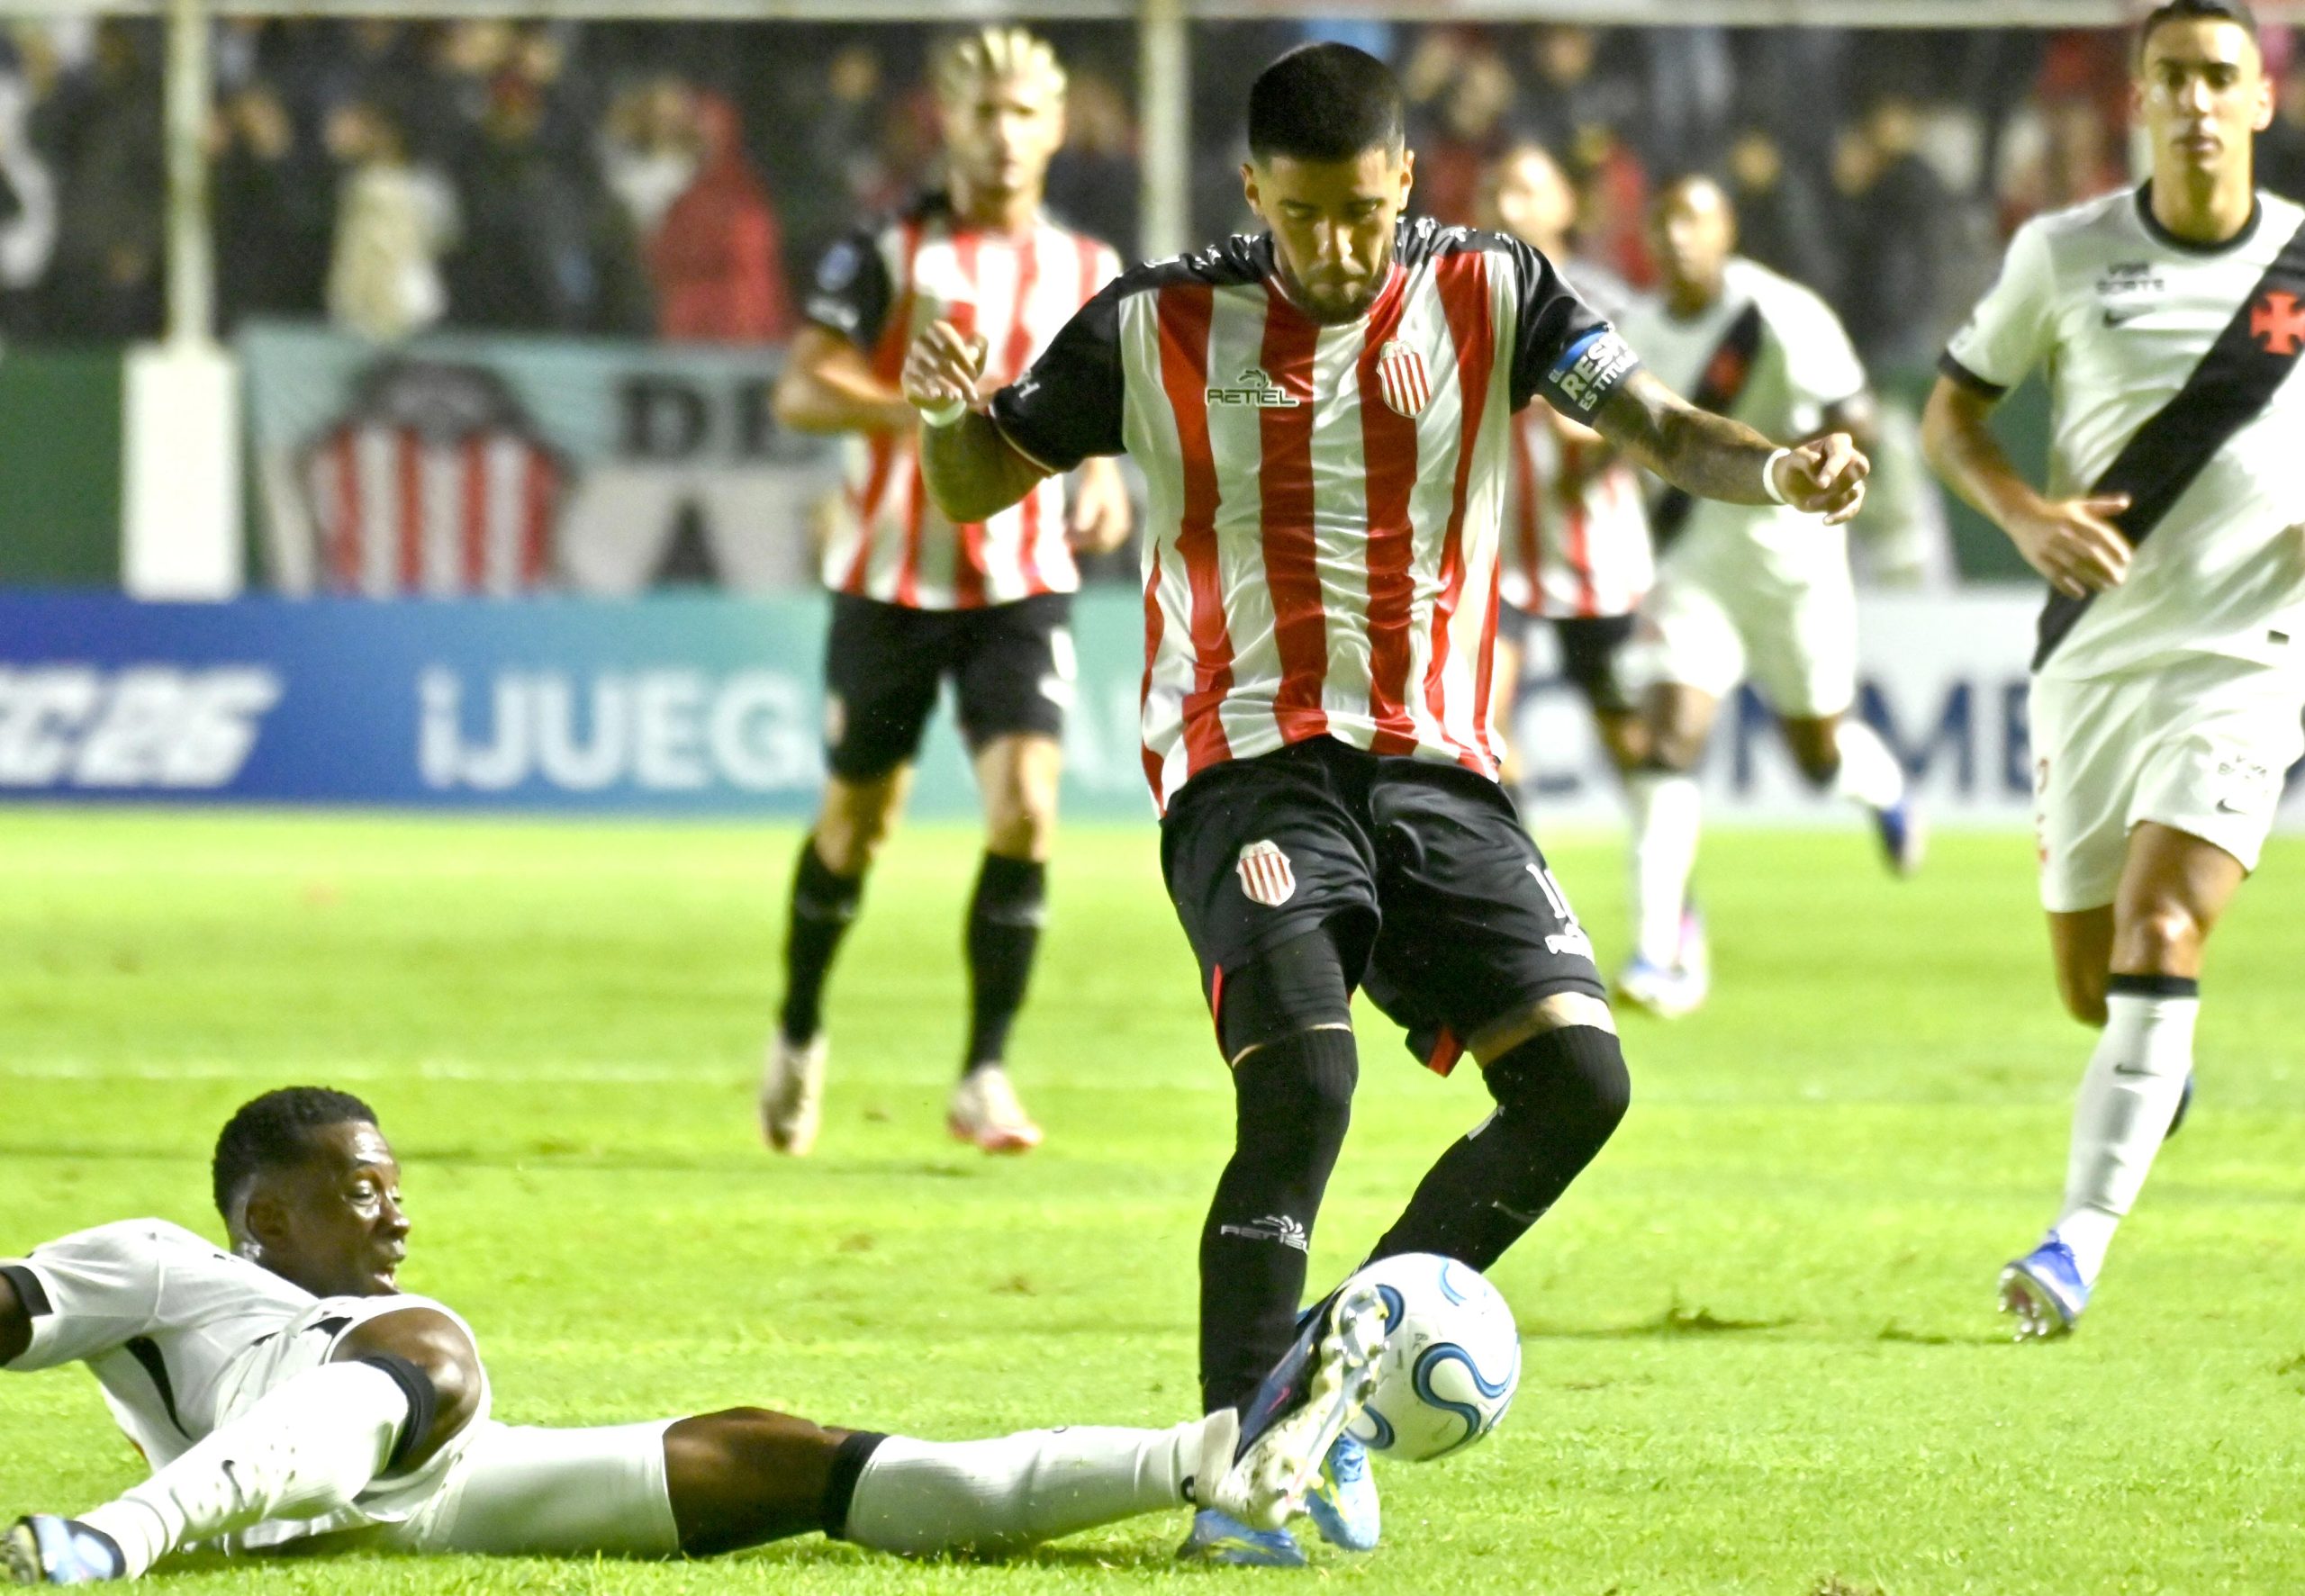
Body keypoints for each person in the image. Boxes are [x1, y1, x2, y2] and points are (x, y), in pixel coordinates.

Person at [902, 42, 1867, 1564]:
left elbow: (1664, 429)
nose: (1338, 248)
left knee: (1581, 1081)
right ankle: (1242, 1466)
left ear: (1407, 179)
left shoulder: (1495, 287)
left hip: (1440, 769)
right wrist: (944, 421)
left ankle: (1318, 1394)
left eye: (1363, 212)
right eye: (1302, 216)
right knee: (1305, 1084)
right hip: (1245, 762)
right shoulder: (1155, 322)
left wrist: (1783, 474)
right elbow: (977, 482)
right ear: (1251, 191)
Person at [1, 1087, 1378, 1584]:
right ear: (262, 1216)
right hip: (345, 1492)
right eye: (362, 1189)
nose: (398, 1211)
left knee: (781, 1450)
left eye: (398, 1185)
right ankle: (117, 1539)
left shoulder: (373, 1314)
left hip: (423, 1461)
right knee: (451, 1358)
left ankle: (1200, 1459)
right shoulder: (166, 1265)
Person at [1921, 0, 2303, 1340]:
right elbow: (1951, 414)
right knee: (2097, 987)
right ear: (2137, 101)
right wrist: (2023, 515)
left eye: (2220, 77)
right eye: (2172, 79)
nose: (2197, 101)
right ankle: (2156, 1056)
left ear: (2260, 100)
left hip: (2247, 656)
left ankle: (2072, 1242)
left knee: (2162, 930)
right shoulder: (2063, 252)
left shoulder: (2304, 265)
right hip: (2089, 656)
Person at [763, 28, 1133, 1158]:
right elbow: (800, 390)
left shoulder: (1089, 269)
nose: (1002, 135)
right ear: (946, 124)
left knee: (1026, 809)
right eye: (982, 113)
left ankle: (983, 1074)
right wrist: (922, 411)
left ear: (1055, 127)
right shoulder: (888, 251)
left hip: (1020, 580)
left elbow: (1102, 398)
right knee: (856, 827)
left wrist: (1101, 471)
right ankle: (799, 1029)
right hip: (890, 578)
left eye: (1023, 114)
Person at [1612, 174, 1921, 1020]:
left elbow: (1856, 413)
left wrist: (1823, 455)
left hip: (1794, 564)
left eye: (1695, 219)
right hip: (1693, 567)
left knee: (1816, 759)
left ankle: (1878, 782)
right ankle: (1658, 952)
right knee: (1667, 739)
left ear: (1727, 232)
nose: (1678, 235)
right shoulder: (1636, 330)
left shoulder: (1780, 313)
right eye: (1664, 220)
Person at [1478, 140, 1653, 798]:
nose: (1506, 207)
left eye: (1525, 191)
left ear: (1565, 205)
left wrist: (1594, 436)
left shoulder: (1607, 303)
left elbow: (1654, 419)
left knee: (1624, 729)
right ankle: (1517, 857)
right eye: (1495, 192)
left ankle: (1663, 852)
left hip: (1592, 548)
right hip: (1497, 548)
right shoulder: (1458, 297)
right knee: (1480, 723)